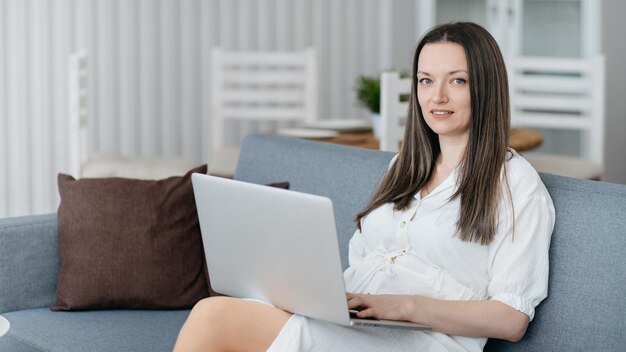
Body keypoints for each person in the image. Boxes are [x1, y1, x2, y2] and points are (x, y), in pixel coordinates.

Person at [173, 22, 555, 352]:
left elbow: (511, 318)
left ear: (486, 88)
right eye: (426, 80)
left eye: (457, 80)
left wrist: (403, 306)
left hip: (424, 340)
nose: (437, 96)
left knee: (213, 317)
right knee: (233, 313)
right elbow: (360, 260)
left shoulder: (516, 185)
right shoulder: (403, 167)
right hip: (356, 325)